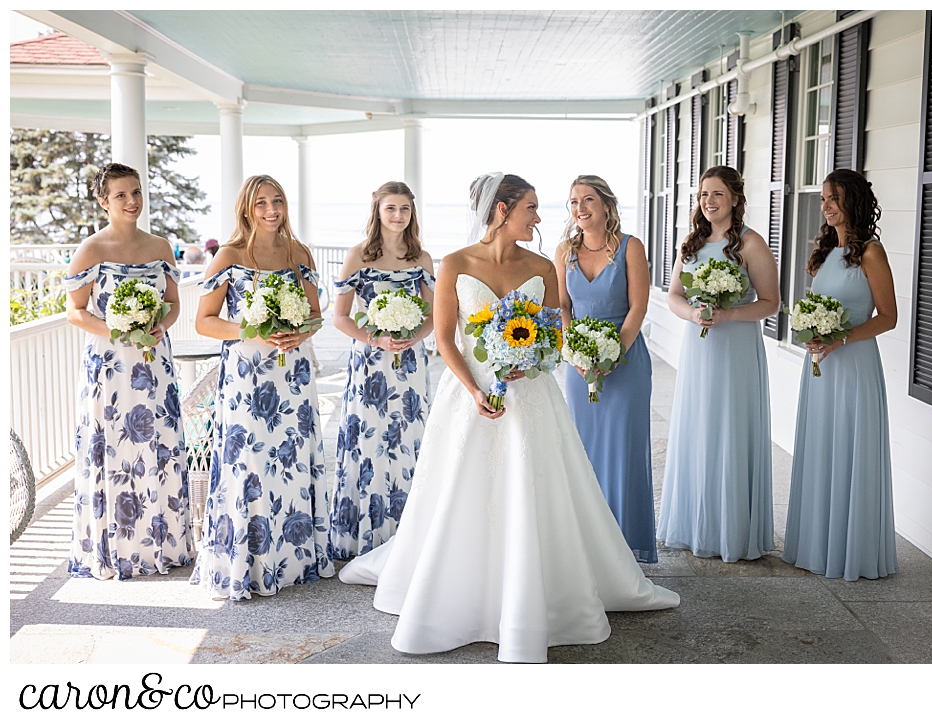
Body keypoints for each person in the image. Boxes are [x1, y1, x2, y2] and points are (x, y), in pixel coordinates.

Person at [338, 172, 679, 663]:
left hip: (530, 393)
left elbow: (551, 333)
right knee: (462, 488)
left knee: (537, 486)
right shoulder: (454, 264)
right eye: (530, 209)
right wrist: (475, 388)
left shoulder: (543, 266)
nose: (539, 219)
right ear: (501, 211)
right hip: (468, 394)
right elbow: (445, 340)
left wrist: (533, 359)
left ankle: (541, 591)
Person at [189, 174, 335, 600]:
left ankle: (292, 558)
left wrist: (299, 333)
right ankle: (246, 564)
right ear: (246, 210)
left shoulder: (298, 253)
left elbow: (314, 315)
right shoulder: (229, 256)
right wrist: (250, 329)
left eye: (278, 202)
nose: (272, 211)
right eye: (262, 204)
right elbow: (204, 321)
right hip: (246, 376)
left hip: (291, 376)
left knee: (290, 460)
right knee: (249, 464)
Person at [64, 162, 194, 580]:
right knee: (115, 450)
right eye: (121, 195)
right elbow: (75, 312)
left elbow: (173, 305)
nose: (132, 201)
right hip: (111, 366)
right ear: (103, 201)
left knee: (159, 447)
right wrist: (118, 331)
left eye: (136, 192)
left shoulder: (160, 246)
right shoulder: (91, 249)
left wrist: (160, 325)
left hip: (154, 363)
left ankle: (163, 545)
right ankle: (116, 550)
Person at [656, 166, 779, 562]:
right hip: (699, 348)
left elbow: (770, 302)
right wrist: (693, 315)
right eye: (703, 195)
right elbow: (674, 294)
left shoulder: (751, 244)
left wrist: (728, 315)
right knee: (699, 427)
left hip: (736, 350)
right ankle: (696, 524)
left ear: (735, 200)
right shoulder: (690, 245)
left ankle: (733, 531)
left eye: (717, 194)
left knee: (730, 428)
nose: (708, 202)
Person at [782, 169, 898, 580]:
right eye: (823, 199)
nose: (826, 206)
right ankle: (819, 543)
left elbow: (889, 317)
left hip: (853, 367)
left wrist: (840, 339)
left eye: (834, 198)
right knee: (822, 445)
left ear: (853, 202)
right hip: (821, 367)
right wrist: (813, 335)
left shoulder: (871, 252)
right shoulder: (826, 253)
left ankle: (852, 550)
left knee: (851, 448)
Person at [554, 175, 657, 563]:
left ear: (607, 205)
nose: (580, 208)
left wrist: (612, 355)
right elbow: (563, 307)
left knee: (624, 450)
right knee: (584, 449)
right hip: (579, 366)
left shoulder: (631, 248)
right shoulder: (564, 251)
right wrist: (576, 352)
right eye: (574, 202)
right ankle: (588, 546)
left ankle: (624, 547)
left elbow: (638, 308)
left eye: (588, 199)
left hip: (626, 362)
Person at [330, 181, 435, 559]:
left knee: (406, 440)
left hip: (408, 365)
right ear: (377, 212)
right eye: (390, 208)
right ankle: (368, 536)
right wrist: (377, 340)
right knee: (372, 441)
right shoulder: (359, 255)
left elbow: (432, 316)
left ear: (412, 213)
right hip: (371, 365)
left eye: (404, 209)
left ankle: (407, 535)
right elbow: (340, 317)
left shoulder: (421, 258)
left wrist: (412, 337)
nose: (397, 216)